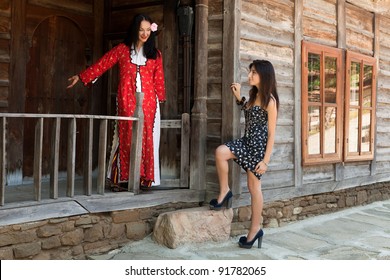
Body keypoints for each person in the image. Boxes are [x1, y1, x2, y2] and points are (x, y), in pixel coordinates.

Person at [67, 14, 166, 190]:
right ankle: (122, 178)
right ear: (135, 31)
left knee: (147, 139)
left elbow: (159, 80)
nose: (144, 34)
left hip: (150, 104)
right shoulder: (122, 50)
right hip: (126, 100)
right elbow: (103, 64)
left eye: (147, 30)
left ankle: (145, 179)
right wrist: (82, 77)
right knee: (126, 137)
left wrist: (161, 100)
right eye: (141, 30)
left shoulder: (156, 55)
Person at [209, 59, 279, 249]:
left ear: (264, 75)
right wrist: (239, 97)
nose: (249, 75)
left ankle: (255, 230)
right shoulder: (253, 95)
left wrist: (265, 161)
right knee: (221, 152)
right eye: (250, 72)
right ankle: (225, 191)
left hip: (257, 150)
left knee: (253, 188)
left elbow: (272, 133)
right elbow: (248, 112)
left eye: (253, 72)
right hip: (245, 143)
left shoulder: (269, 101)